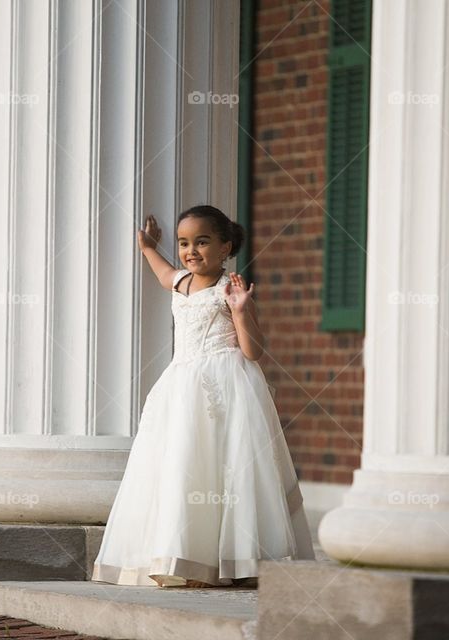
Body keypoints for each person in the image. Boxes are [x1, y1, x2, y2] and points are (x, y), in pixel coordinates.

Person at [90, 205, 315, 588]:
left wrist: (242, 312)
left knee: (226, 463)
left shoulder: (231, 288)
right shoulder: (182, 282)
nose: (191, 250)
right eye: (184, 243)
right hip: (181, 383)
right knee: (184, 461)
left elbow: (253, 351)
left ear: (226, 247)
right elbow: (163, 275)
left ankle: (238, 558)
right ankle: (186, 557)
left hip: (225, 382)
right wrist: (147, 248)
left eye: (202, 242)